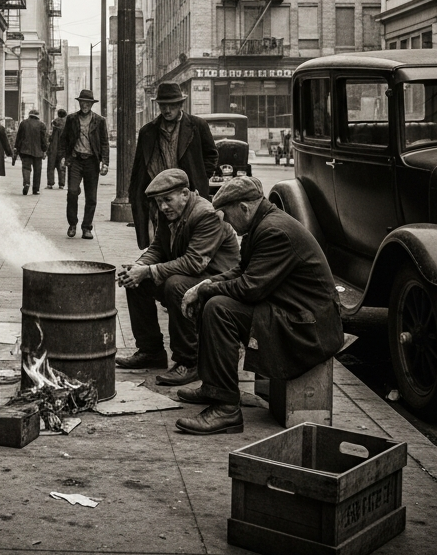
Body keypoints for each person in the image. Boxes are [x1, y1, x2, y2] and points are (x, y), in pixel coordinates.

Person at [174, 177, 344, 436]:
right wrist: (204, 285)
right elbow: (242, 271)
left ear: (244, 208)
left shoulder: (274, 230)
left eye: (227, 214)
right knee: (212, 299)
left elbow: (250, 288)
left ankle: (226, 410)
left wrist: (206, 288)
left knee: (219, 308)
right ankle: (215, 387)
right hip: (294, 313)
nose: (226, 222)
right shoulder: (260, 224)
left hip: (309, 328)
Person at [115, 169, 240, 385]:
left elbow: (194, 262)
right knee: (136, 282)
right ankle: (150, 351)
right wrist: (139, 267)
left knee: (176, 286)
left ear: (184, 193)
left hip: (218, 280)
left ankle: (189, 361)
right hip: (193, 275)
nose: (163, 206)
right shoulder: (169, 212)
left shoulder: (206, 214)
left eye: (167, 200)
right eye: (158, 201)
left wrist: (148, 271)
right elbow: (158, 249)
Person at [129, 81, 218, 249]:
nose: (167, 110)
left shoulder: (197, 126)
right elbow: (139, 167)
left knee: (191, 239)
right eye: (163, 106)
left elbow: (211, 155)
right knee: (161, 240)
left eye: (171, 106)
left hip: (189, 194)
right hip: (159, 197)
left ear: (180, 105)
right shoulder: (147, 132)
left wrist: (200, 178)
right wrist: (137, 195)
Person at [62, 88, 109, 240]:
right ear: (79, 103)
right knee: (72, 192)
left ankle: (86, 227)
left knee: (91, 197)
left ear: (91, 104)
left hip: (91, 162)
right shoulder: (71, 119)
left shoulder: (99, 120)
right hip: (75, 160)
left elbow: (104, 143)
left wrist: (105, 163)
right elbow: (64, 139)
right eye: (83, 102)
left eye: (88, 103)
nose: (85, 105)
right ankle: (72, 224)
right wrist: (63, 157)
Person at [14, 108, 49, 195]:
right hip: (38, 151)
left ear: (29, 115)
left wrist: (17, 148)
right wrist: (45, 150)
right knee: (37, 170)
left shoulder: (23, 123)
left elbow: (19, 137)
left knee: (26, 168)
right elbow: (43, 139)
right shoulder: (42, 125)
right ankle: (36, 189)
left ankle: (26, 183)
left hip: (25, 150)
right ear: (38, 116)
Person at [46, 108, 67, 189]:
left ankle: (50, 183)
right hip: (63, 148)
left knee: (51, 166)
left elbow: (50, 137)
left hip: (53, 147)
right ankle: (61, 184)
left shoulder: (54, 123)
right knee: (61, 166)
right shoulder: (67, 124)